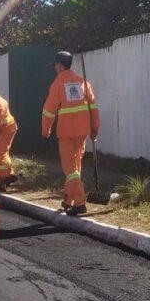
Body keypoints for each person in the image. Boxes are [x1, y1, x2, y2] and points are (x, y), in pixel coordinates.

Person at [41, 50, 100, 216]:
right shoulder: (83, 83)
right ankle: (68, 199)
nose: (55, 68)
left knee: (70, 168)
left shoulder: (58, 84)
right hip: (82, 131)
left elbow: (48, 111)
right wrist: (94, 129)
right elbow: (93, 108)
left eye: (55, 65)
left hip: (66, 132)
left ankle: (80, 203)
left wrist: (46, 130)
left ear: (59, 65)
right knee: (75, 166)